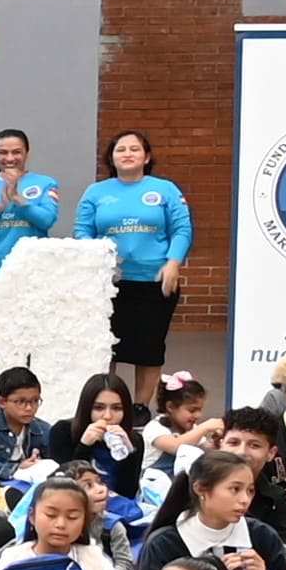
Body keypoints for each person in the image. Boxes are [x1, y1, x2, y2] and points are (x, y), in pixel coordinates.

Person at [77, 131, 193, 401]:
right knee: (106, 348)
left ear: (146, 157)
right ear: (111, 157)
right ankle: (108, 403)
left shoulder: (165, 189)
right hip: (108, 285)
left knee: (149, 350)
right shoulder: (96, 192)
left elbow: (182, 229)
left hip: (154, 282)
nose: (127, 154)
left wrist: (173, 262)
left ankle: (140, 407)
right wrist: (97, 258)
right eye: (121, 149)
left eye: (134, 149)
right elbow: (83, 231)